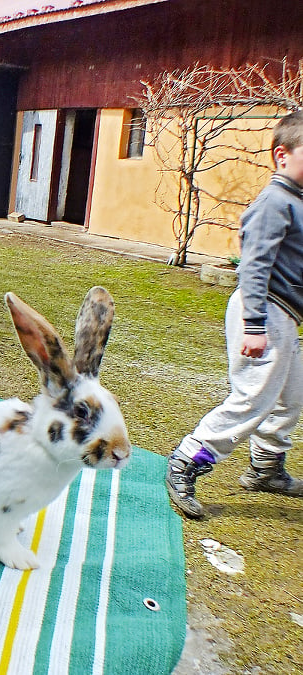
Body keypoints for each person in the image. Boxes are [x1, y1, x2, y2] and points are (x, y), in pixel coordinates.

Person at [166, 110, 303, 518]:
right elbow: (255, 266)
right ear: (282, 155)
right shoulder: (275, 202)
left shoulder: (296, 202)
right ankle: (186, 461)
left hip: (287, 317)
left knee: (291, 397)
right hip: (264, 311)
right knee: (252, 398)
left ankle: (266, 468)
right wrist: (255, 324)